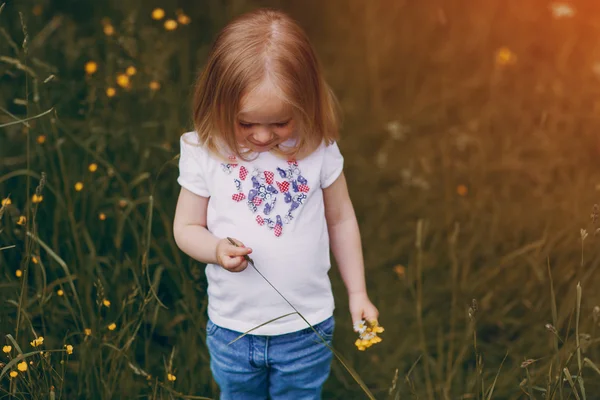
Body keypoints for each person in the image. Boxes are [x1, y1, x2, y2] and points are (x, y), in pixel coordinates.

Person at [173, 7, 378, 400]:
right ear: (218, 104)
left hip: (307, 327)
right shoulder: (205, 150)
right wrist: (215, 250)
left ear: (306, 105)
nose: (263, 136)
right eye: (246, 124)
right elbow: (185, 228)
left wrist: (357, 292)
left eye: (280, 122)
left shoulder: (316, 147)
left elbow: (341, 219)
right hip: (233, 328)